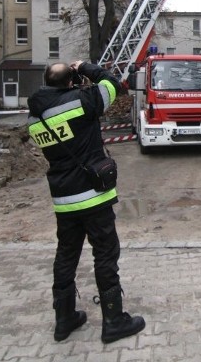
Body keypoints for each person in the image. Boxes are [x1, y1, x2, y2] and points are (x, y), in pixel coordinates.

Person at [27, 61, 146, 344]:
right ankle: (114, 321)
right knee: (105, 254)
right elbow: (112, 84)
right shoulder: (84, 100)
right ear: (71, 81)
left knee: (66, 255)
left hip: (63, 200)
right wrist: (85, 66)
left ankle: (64, 320)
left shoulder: (34, 118)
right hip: (93, 195)